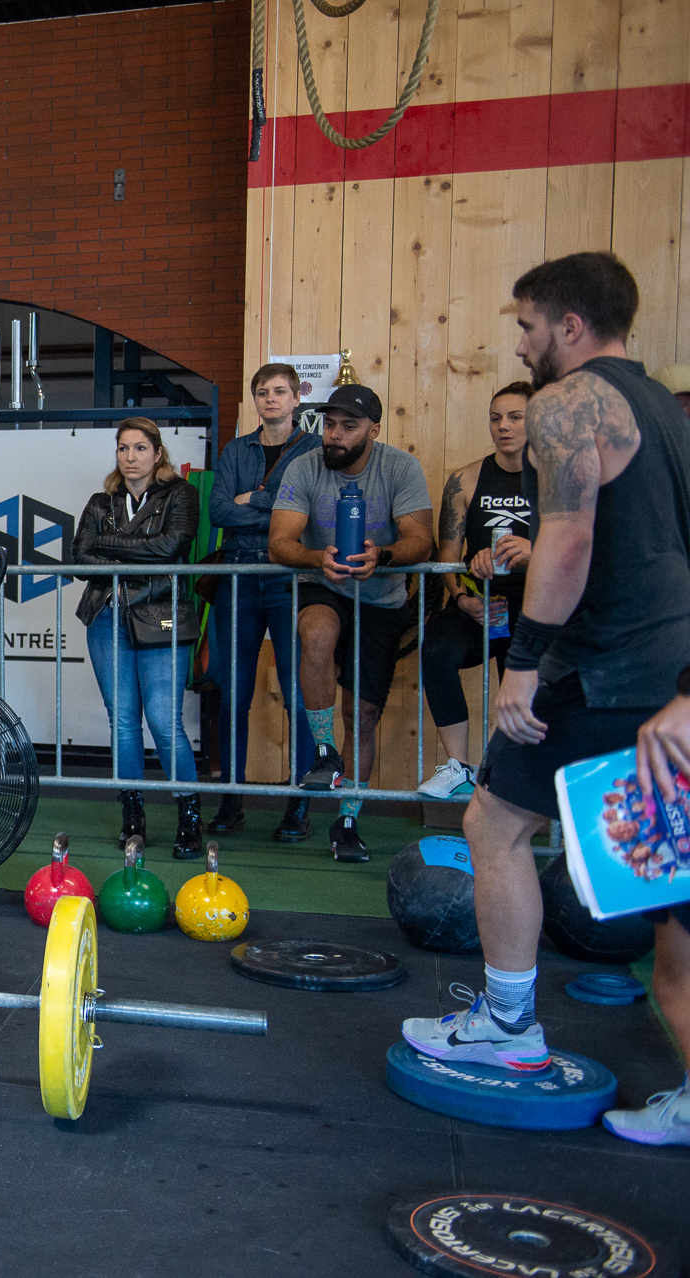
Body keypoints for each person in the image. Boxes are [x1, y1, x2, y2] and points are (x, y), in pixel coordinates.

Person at [400, 252, 690, 1147]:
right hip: (664, 677)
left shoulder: (572, 403)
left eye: (526, 324)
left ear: (568, 326)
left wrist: (521, 661)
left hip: (601, 672)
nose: (520, 342)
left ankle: (509, 1029)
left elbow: (565, 545)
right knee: (676, 903)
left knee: (492, 825)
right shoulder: (671, 415)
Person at [269, 384, 435, 862]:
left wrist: (381, 557)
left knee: (361, 715)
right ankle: (324, 753)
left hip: (380, 593)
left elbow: (421, 538)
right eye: (330, 425)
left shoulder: (400, 467)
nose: (335, 435)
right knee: (317, 631)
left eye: (348, 426)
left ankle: (347, 819)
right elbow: (280, 541)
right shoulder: (304, 465)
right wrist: (314, 558)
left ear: (374, 430)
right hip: (324, 580)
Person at [73, 419, 204, 858]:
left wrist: (110, 546)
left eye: (140, 448)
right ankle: (133, 816)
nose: (131, 457)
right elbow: (81, 560)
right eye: (123, 448)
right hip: (106, 617)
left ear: (157, 453)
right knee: (123, 722)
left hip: (160, 617)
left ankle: (190, 817)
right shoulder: (99, 501)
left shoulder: (181, 493)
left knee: (166, 722)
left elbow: (172, 546)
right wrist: (135, 547)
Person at [205, 363, 320, 840]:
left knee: (300, 694)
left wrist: (252, 499)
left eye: (279, 392)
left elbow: (310, 509)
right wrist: (274, 506)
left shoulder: (313, 448)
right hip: (238, 573)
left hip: (290, 576)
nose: (270, 399)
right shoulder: (236, 448)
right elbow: (217, 510)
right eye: (262, 392)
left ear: (297, 398)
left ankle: (301, 803)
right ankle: (231, 801)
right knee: (233, 694)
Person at [418, 383, 535, 799]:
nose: (503, 426)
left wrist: (533, 552)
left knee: (522, 688)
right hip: (480, 603)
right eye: (495, 418)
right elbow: (448, 559)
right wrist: (464, 595)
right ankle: (459, 766)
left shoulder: (558, 479)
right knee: (436, 650)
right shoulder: (465, 479)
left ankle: (520, 781)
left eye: (514, 417)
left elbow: (583, 549)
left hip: (538, 606)